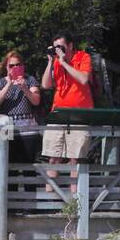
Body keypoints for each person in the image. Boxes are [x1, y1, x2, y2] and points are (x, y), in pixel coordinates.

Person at [40, 32, 93, 192]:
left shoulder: (83, 57)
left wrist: (64, 63)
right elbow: (46, 85)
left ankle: (75, 199)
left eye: (61, 47)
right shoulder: (56, 61)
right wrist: (51, 62)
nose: (58, 51)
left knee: (75, 157)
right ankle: (49, 198)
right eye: (55, 47)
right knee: (53, 155)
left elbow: (83, 79)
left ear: (70, 46)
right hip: (58, 114)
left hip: (80, 115)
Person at [0, 49, 43, 170]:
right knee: (8, 169)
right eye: (11, 65)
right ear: (6, 67)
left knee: (29, 169)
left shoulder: (30, 80)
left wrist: (24, 88)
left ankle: (29, 190)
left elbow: (36, 100)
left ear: (23, 66)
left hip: (28, 129)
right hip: (6, 128)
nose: (15, 67)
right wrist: (9, 84)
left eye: (18, 65)